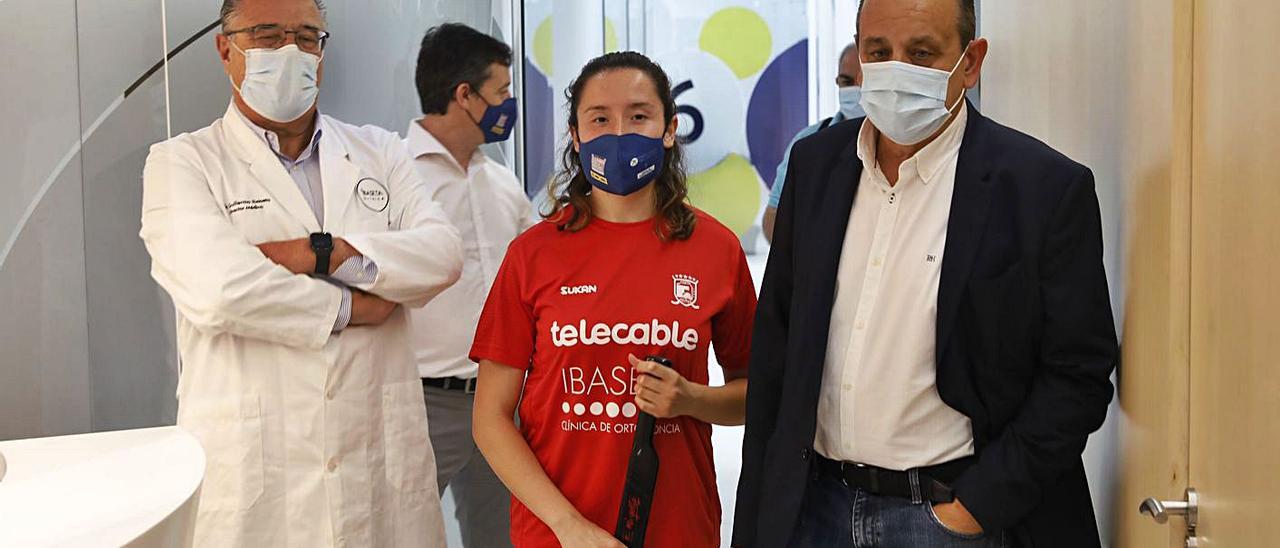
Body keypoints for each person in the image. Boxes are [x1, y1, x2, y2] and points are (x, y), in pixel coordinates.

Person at [733, 0, 1118, 546]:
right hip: (815, 510)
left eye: (921, 53)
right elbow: (777, 354)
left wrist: (975, 509)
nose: (896, 71)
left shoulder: (1043, 190)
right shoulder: (815, 168)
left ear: (971, 61)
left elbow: (1079, 374)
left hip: (951, 516)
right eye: (878, 52)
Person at [138, 0, 463, 545]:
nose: (290, 52)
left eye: (308, 37)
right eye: (267, 35)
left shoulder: (379, 151)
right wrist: (353, 305)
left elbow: (442, 255)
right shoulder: (182, 162)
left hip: (377, 463)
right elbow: (221, 291)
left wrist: (324, 253)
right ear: (226, 49)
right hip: (259, 477)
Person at [470, 51, 758, 548]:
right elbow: (490, 418)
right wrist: (569, 528)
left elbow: (758, 395)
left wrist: (691, 398)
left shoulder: (716, 249)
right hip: (557, 532)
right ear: (576, 135)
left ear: (669, 130)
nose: (620, 132)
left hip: (678, 526)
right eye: (600, 118)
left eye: (639, 116)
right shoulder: (532, 255)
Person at [405, 23, 533, 548]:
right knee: (403, 534)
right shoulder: (391, 175)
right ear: (465, 96)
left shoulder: (502, 181)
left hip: (502, 402)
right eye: (501, 92)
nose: (508, 105)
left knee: (501, 537)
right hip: (421, 402)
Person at [762, 42, 864, 242]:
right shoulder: (808, 142)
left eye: (864, 82)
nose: (855, 89)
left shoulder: (900, 143)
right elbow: (774, 215)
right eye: (846, 82)